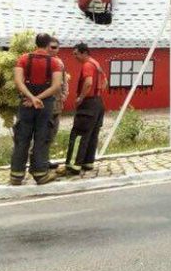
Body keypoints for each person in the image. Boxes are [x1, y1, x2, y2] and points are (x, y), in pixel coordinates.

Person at [10, 33, 63, 186]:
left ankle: (16, 176)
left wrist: (31, 98)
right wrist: (38, 99)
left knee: (22, 138)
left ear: (36, 43)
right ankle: (40, 175)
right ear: (48, 45)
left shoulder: (23, 59)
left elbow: (18, 82)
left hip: (26, 104)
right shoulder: (55, 63)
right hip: (45, 105)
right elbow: (56, 86)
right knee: (42, 138)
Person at [59, 43, 106, 175]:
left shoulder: (87, 65)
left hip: (88, 103)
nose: (75, 56)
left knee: (79, 134)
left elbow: (89, 82)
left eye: (76, 54)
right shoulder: (96, 64)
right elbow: (105, 81)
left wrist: (81, 97)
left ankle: (73, 166)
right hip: (98, 103)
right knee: (92, 134)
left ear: (84, 53)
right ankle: (87, 163)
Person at [46, 37, 68, 169]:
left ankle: (45, 159)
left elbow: (64, 80)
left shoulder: (59, 63)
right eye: (51, 47)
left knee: (52, 133)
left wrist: (64, 95)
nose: (53, 50)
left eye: (56, 47)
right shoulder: (42, 61)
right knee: (42, 133)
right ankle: (38, 161)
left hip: (57, 104)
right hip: (44, 103)